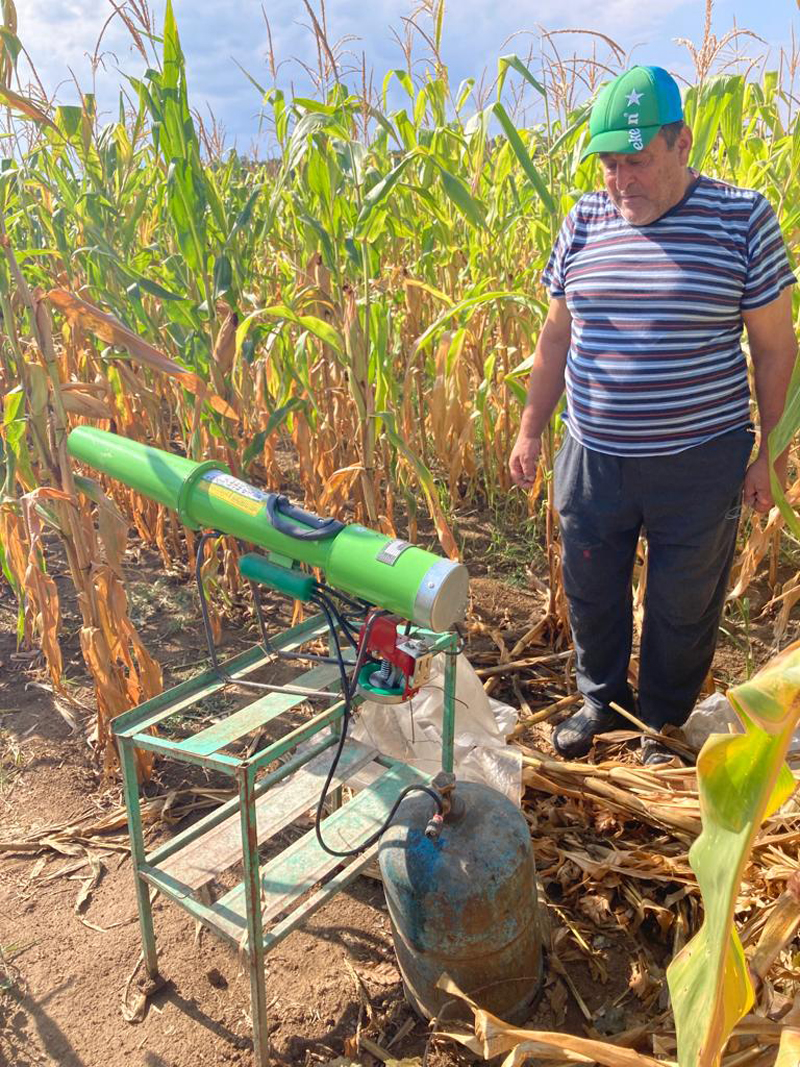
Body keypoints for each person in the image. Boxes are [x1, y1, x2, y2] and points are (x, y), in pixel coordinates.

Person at [508, 65, 798, 765]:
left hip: (699, 460)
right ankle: (601, 702)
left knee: (682, 603)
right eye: (609, 164)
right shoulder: (584, 220)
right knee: (590, 587)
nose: (620, 180)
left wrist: (773, 454)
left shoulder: (742, 219)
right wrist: (530, 427)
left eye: (635, 161)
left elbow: (775, 348)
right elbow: (555, 336)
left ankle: (661, 725)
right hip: (593, 458)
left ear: (682, 143)